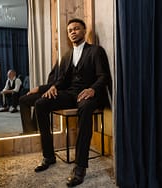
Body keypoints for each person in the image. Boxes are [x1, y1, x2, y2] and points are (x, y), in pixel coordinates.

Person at [33, 18, 111, 187]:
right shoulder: (67, 55)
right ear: (68, 35)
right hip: (70, 94)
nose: (73, 32)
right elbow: (62, 80)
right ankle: (49, 156)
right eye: (70, 30)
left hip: (90, 95)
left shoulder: (96, 51)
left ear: (84, 31)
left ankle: (80, 166)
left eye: (76, 29)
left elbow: (104, 76)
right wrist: (53, 87)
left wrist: (92, 89)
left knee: (85, 107)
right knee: (41, 103)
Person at [19, 64, 59, 134]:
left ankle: (29, 131)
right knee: (25, 99)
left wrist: (39, 89)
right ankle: (32, 130)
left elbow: (59, 83)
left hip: (56, 92)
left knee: (25, 101)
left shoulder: (65, 60)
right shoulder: (61, 60)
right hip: (50, 90)